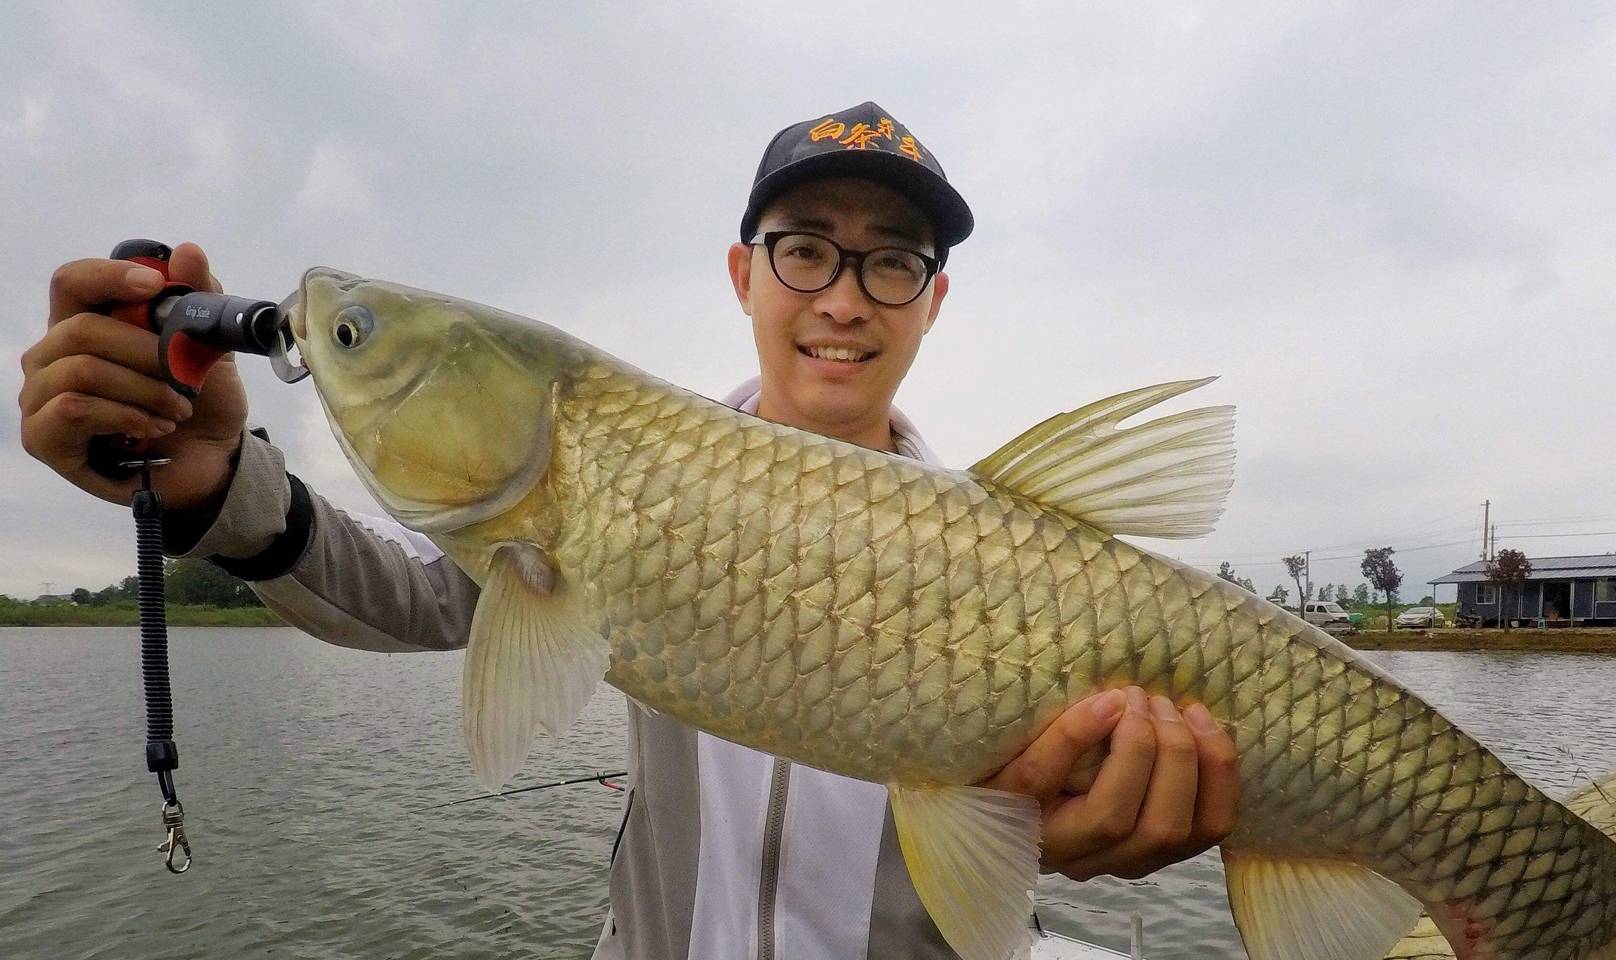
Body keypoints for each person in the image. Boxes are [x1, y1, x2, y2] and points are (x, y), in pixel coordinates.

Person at [20, 101, 1239, 958]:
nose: (841, 299)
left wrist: (1087, 829)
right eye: (805, 250)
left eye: (893, 264)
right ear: (742, 274)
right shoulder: (604, 487)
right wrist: (210, 478)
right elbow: (401, 594)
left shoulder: (1019, 554)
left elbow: (1042, 831)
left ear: (935, 301)